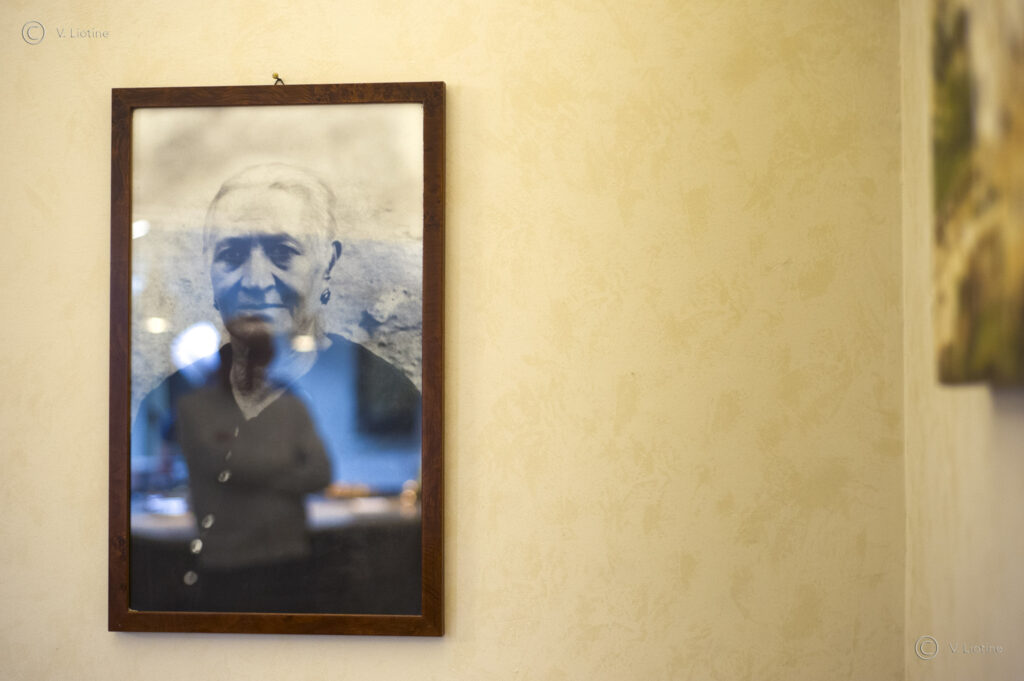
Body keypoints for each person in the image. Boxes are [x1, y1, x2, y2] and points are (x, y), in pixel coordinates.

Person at [130, 163, 422, 613]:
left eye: (283, 253)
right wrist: (280, 477)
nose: (255, 280)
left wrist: (248, 476)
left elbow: (316, 473)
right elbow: (225, 469)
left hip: (287, 558)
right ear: (206, 267)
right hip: (223, 563)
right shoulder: (192, 406)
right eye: (231, 254)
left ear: (327, 263)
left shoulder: (294, 403)